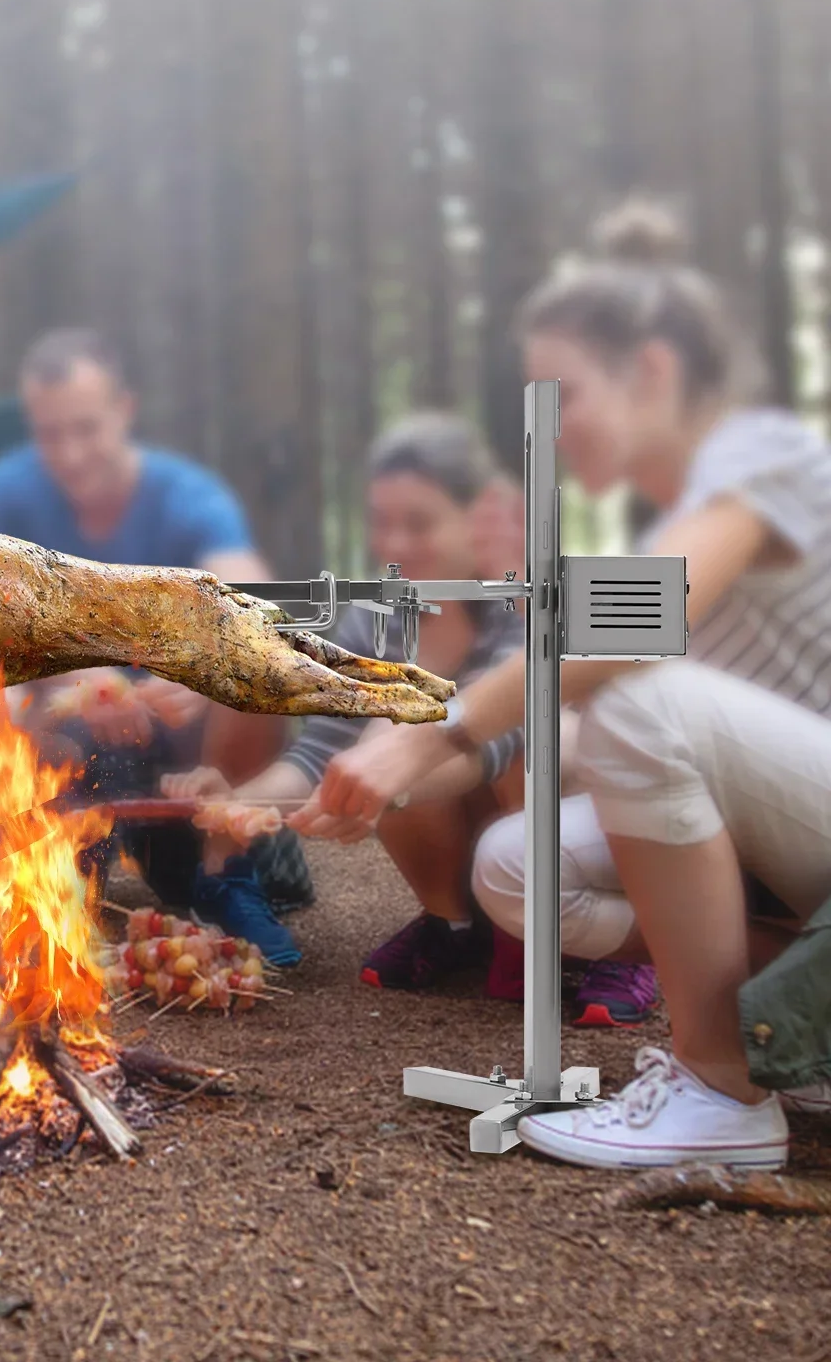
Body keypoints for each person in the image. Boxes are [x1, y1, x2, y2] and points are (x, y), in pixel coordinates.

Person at [295, 199, 831, 1170]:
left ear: (654, 372)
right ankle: (791, 1026)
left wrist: (441, 727)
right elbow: (562, 700)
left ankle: (720, 1090)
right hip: (800, 830)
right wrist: (382, 771)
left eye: (562, 392)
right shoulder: (691, 502)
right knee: (515, 861)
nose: (545, 421)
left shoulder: (762, 457)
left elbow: (633, 619)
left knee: (634, 706)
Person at [163, 414, 537, 995]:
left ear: (479, 517)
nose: (394, 545)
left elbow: (505, 740)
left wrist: (393, 770)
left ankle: (550, 939)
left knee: (529, 737)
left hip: (536, 817)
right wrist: (240, 804)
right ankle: (453, 925)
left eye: (420, 523)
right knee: (383, 732)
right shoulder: (380, 619)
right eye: (382, 524)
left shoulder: (522, 601)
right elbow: (325, 747)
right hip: (448, 807)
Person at [0, 328, 301, 964]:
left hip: (188, 745)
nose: (68, 454)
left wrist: (204, 671)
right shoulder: (6, 495)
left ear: (125, 410)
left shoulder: (187, 496)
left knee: (255, 662)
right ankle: (37, 866)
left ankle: (223, 872)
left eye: (86, 428)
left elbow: (256, 595)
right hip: (69, 734)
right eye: (49, 433)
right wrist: (72, 687)